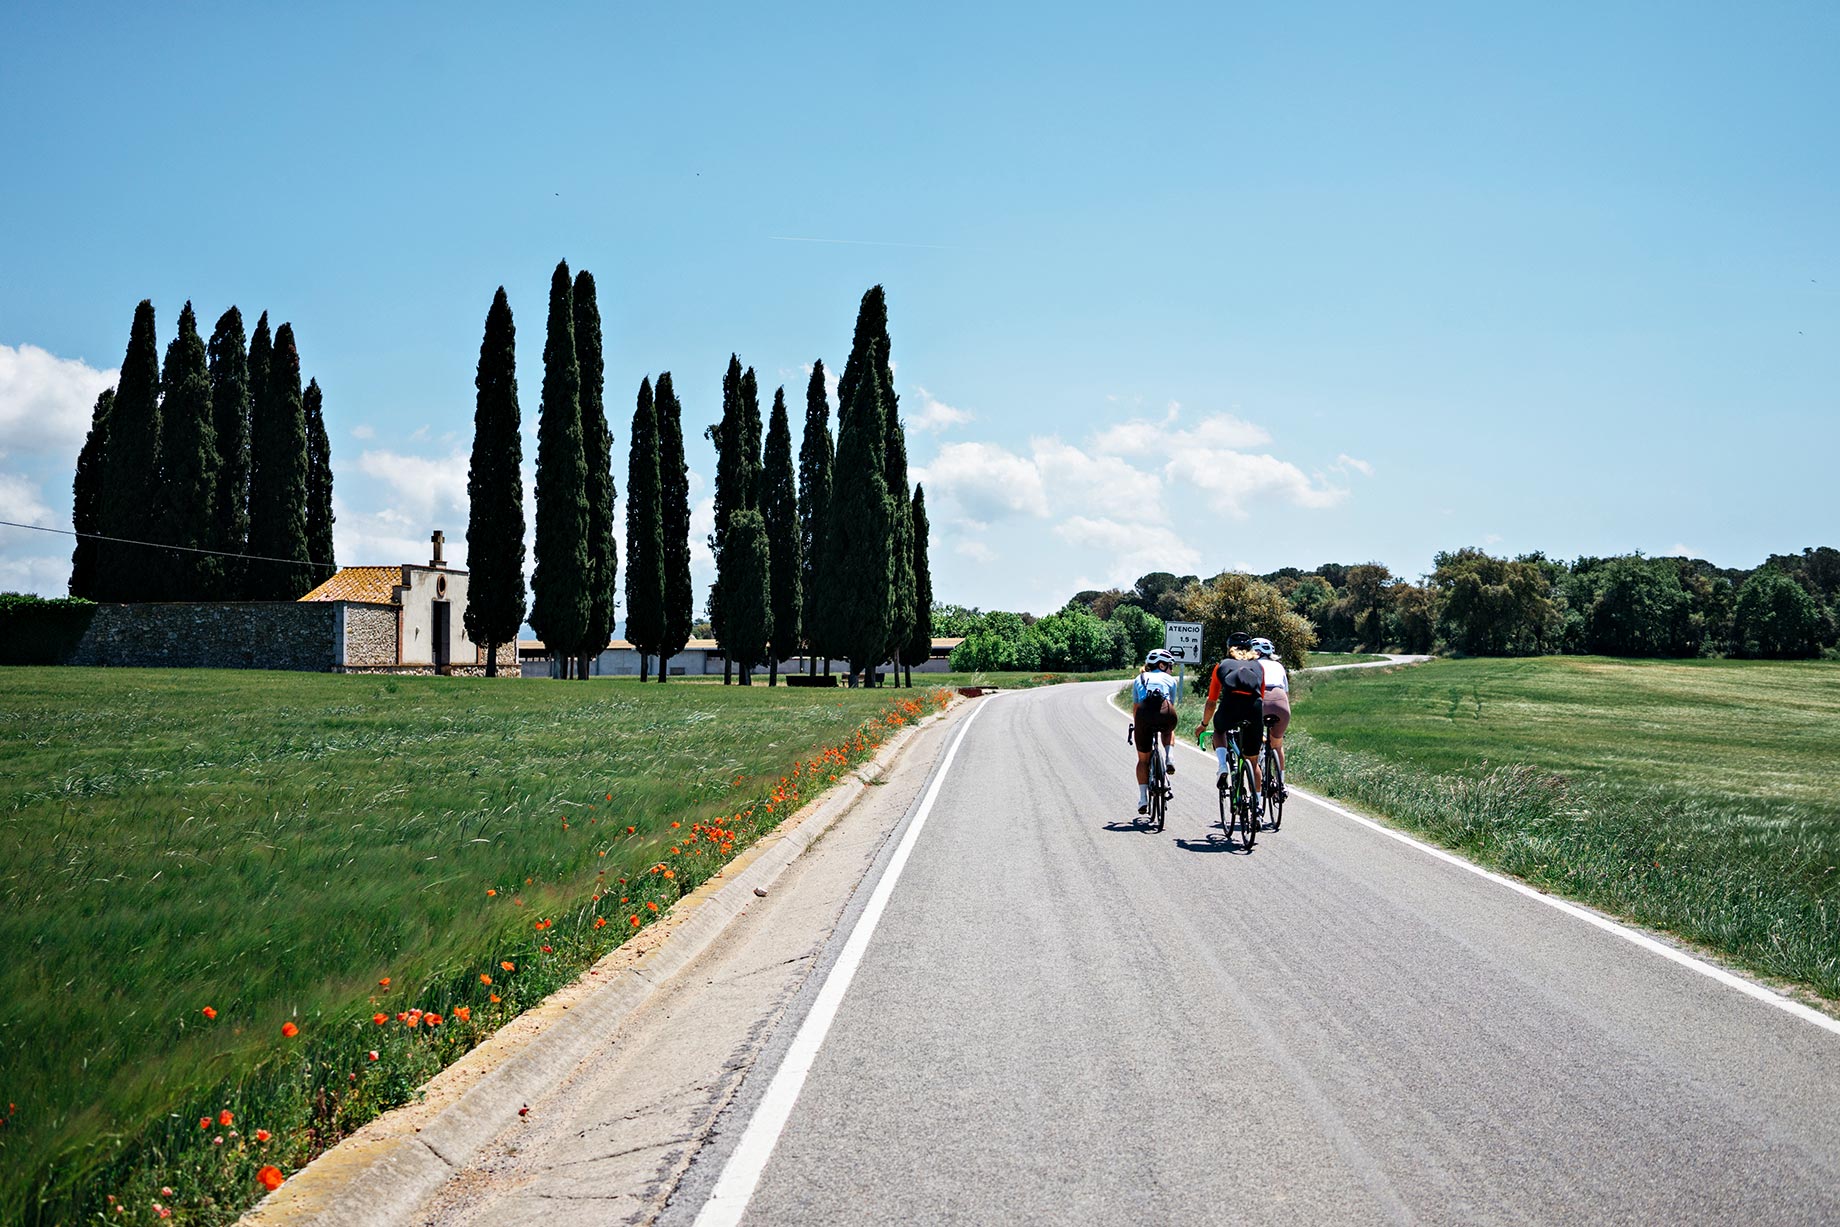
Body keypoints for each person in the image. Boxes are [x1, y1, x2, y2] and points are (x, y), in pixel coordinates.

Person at [1194, 631, 1267, 818]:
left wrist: (1203, 724)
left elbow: (1211, 701)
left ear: (1229, 648)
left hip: (1230, 707)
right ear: (1250, 648)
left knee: (1219, 731)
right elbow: (1262, 696)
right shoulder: (1258, 666)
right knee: (1253, 761)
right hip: (1254, 709)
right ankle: (1257, 807)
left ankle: (1222, 767)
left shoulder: (1222, 665)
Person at [1131, 648, 1179, 814]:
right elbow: (1170, 704)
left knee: (1143, 760)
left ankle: (1143, 798)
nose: (1172, 670)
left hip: (1144, 715)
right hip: (1166, 712)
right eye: (1170, 666)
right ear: (1162, 664)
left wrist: (1138, 727)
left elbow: (1136, 709)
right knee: (1168, 729)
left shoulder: (1139, 678)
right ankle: (1169, 757)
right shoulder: (1170, 680)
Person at [1251, 636, 1290, 800]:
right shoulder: (1279, 666)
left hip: (1261, 700)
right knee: (1277, 743)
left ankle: (1259, 757)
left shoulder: (1252, 665)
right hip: (1281, 702)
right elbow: (1287, 693)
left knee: (1253, 738)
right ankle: (1281, 783)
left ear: (1256, 652)